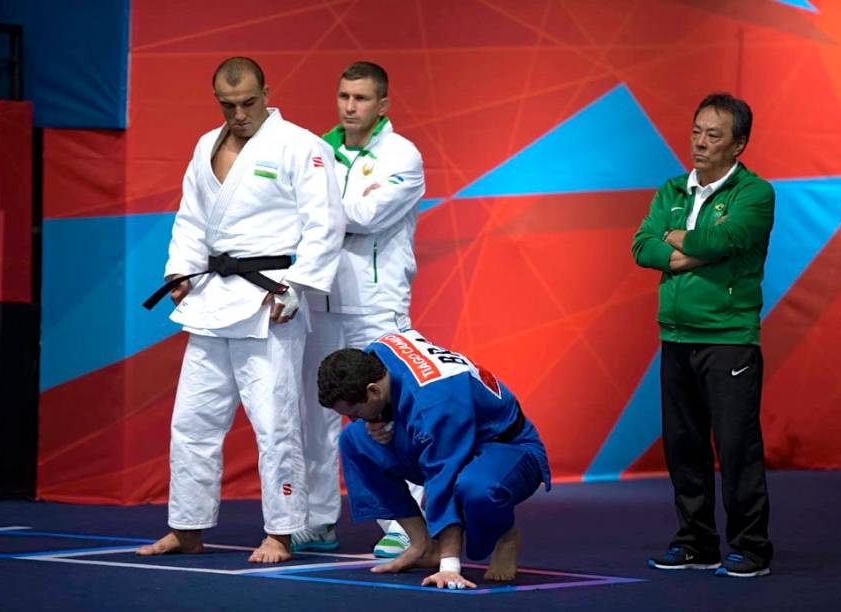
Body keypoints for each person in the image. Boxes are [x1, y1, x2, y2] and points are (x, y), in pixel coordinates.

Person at [137, 56, 345, 563]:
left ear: (267, 93)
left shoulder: (301, 146)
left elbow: (325, 223)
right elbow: (191, 216)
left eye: (249, 103)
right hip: (211, 299)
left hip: (268, 299)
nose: (239, 113)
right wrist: (180, 271)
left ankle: (282, 530)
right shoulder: (205, 145)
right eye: (228, 105)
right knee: (192, 422)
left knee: (275, 423)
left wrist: (298, 286)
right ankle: (187, 526)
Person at [632, 92, 774, 578]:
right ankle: (696, 542)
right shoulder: (672, 190)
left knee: (736, 446)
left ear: (739, 145)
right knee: (683, 446)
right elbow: (641, 245)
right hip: (675, 337)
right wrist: (687, 249)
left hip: (729, 337)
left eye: (714, 135)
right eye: (696, 131)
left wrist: (678, 242)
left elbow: (724, 240)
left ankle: (751, 547)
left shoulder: (755, 194)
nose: (700, 143)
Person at [291, 61, 426, 558]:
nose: (351, 106)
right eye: (344, 95)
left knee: (386, 414)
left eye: (362, 98)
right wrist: (320, 212)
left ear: (383, 104)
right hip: (321, 303)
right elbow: (299, 215)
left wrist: (316, 211)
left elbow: (368, 217)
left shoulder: (402, 155)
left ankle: (403, 523)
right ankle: (317, 519)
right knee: (318, 411)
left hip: (377, 305)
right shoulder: (317, 153)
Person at [316, 331, 551, 589]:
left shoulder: (435, 405)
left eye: (356, 412)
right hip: (455, 431)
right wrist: (378, 417)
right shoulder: (377, 353)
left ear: (373, 391)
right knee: (355, 440)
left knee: (474, 488)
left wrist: (449, 567)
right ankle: (421, 544)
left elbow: (443, 477)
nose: (356, 418)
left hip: (508, 446)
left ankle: (504, 535)